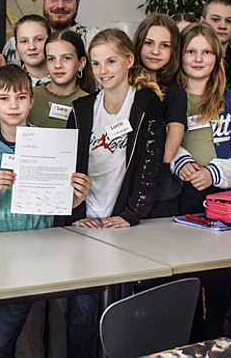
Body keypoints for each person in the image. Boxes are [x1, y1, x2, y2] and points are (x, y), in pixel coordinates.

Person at [0, 64, 91, 358]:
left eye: (21, 98)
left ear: (31, 101)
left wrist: (78, 196)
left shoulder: (48, 142)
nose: (13, 105)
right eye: (4, 98)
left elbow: (61, 203)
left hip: (34, 253)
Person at [66, 29, 165, 357]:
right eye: (96, 63)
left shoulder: (146, 105)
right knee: (82, 315)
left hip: (122, 228)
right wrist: (77, 214)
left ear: (129, 60)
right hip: (86, 227)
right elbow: (68, 172)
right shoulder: (81, 110)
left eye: (110, 61)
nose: (103, 70)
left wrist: (131, 214)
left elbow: (151, 165)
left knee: (120, 313)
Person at [171, 23, 231, 341]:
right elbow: (156, 143)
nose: (199, 59)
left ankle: (208, 343)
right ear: (180, 55)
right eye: (191, 51)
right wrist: (182, 162)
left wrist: (214, 172)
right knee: (182, 286)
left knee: (219, 287)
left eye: (207, 52)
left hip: (218, 202)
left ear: (218, 57)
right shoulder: (168, 97)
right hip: (176, 199)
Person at [135, 14, 187, 218]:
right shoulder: (125, 87)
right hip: (122, 194)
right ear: (138, 44)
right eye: (149, 43)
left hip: (160, 198)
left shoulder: (175, 93)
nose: (155, 51)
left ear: (174, 50)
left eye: (165, 45)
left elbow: (166, 154)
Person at [2, 0, 97, 64]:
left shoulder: (92, 42)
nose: (60, 5)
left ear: (77, 2)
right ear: (43, 1)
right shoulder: (17, 44)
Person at [27, 29, 95, 128]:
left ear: (81, 64)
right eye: (51, 59)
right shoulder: (29, 96)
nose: (58, 65)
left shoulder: (91, 104)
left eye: (66, 58)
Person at [13, 14, 51, 87]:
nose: (31, 47)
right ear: (16, 47)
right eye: (24, 41)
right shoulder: (9, 83)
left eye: (38, 39)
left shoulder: (65, 79)